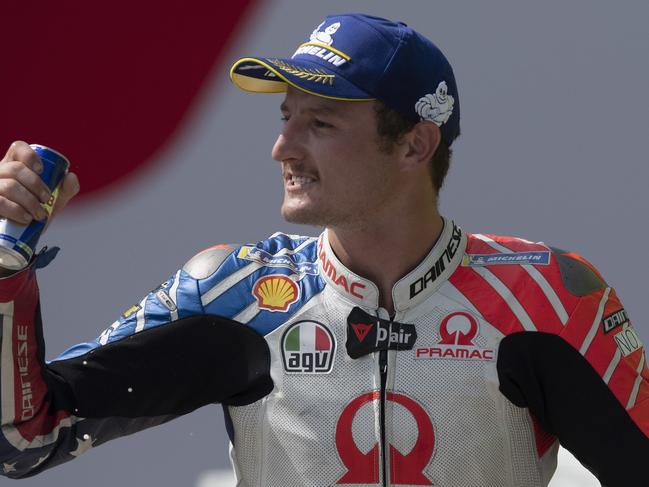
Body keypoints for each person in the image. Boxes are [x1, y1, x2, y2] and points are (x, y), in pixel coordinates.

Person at [0, 12, 647, 487]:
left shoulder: (545, 296)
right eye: (286, 118)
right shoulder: (233, 292)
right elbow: (24, 440)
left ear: (414, 145)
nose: (282, 148)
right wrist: (6, 272)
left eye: (320, 123)